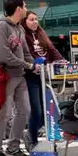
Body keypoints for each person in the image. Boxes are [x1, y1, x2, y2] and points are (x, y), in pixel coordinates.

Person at [0, 0, 36, 156]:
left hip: (19, 75)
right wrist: (29, 66)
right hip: (5, 76)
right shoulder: (0, 27)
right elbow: (4, 55)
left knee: (25, 110)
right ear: (17, 9)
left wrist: (34, 64)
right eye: (24, 6)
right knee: (4, 114)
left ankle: (13, 147)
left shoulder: (19, 29)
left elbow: (25, 52)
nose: (26, 8)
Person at [22, 10, 64, 148]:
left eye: (36, 19)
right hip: (30, 77)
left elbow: (52, 51)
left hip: (44, 77)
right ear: (25, 21)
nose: (35, 22)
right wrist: (34, 65)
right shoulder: (23, 36)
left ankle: (32, 132)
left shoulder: (42, 35)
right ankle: (31, 136)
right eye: (31, 19)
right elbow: (27, 55)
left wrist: (62, 61)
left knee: (46, 109)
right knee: (37, 110)